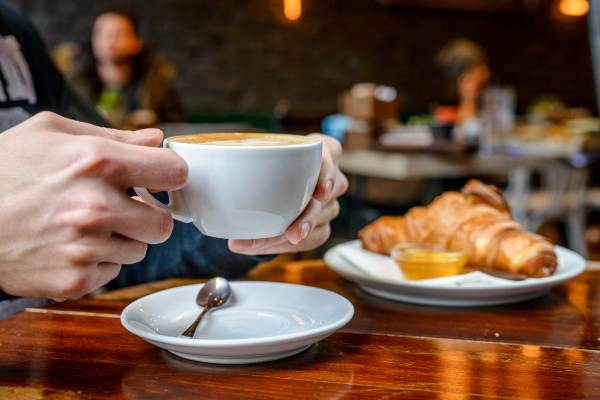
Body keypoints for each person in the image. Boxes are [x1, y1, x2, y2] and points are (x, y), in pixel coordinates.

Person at [0, 1, 348, 319]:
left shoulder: (16, 33)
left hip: (50, 355)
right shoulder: (69, 66)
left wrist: (267, 214)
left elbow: (127, 238)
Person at [66, 7, 184, 129]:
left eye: (118, 34)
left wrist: (155, 121)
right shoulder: (74, 81)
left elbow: (177, 124)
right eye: (100, 33)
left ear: (137, 42)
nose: (109, 41)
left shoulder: (155, 81)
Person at [435, 38, 491, 139]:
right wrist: (469, 100)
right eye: (479, 66)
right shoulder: (447, 111)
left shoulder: (490, 98)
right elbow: (468, 132)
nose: (486, 72)